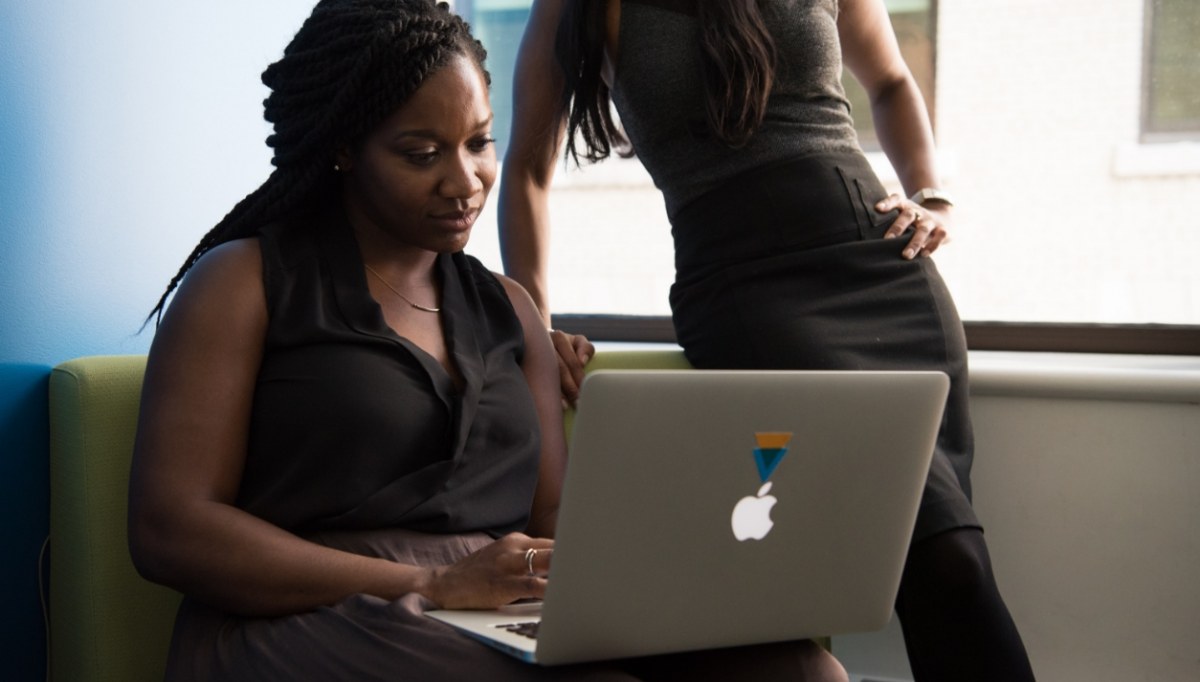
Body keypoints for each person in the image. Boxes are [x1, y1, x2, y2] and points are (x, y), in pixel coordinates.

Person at [128, 1, 846, 680]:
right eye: (422, 153)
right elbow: (170, 528)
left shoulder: (509, 309)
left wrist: (650, 570)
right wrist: (433, 582)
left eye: (479, 143)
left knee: (800, 670)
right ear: (345, 149)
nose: (465, 181)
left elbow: (554, 517)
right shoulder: (243, 282)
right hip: (307, 615)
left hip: (497, 608)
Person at [498, 2, 1037, 681]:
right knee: (933, 562)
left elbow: (894, 81)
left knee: (953, 562)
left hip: (881, 267)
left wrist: (933, 198)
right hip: (746, 294)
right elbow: (525, 169)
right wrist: (536, 329)